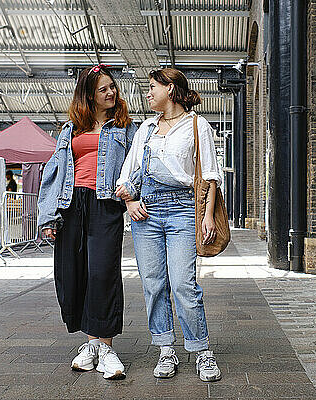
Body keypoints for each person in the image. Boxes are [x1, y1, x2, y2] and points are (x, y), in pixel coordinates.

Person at [115, 68, 222, 382]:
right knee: (153, 284)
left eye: (152, 87)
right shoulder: (146, 128)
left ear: (171, 88)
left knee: (183, 285)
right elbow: (127, 173)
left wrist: (206, 216)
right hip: (146, 213)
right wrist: (130, 201)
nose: (148, 93)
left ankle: (202, 352)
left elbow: (210, 176)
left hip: (182, 211)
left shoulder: (196, 124)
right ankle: (165, 350)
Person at [37, 64, 137, 380]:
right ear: (88, 95)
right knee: (71, 272)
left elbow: (137, 166)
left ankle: (106, 347)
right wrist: (49, 217)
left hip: (105, 203)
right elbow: (54, 173)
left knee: (103, 271)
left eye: (112, 87)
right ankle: (91, 342)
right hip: (70, 204)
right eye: (103, 89)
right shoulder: (70, 129)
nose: (111, 92)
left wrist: (132, 194)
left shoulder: (125, 128)